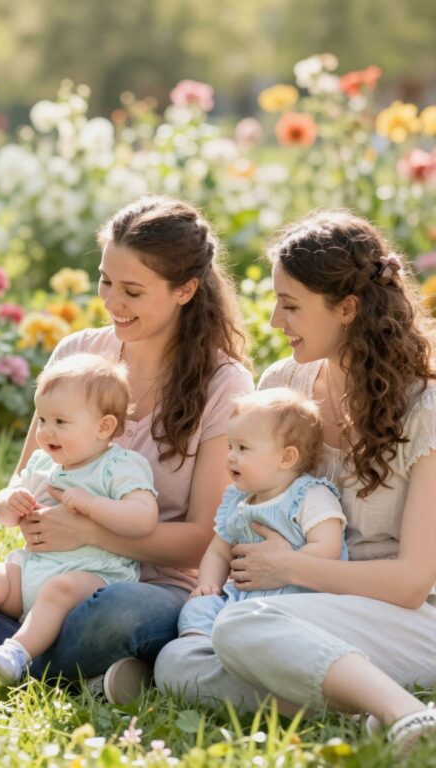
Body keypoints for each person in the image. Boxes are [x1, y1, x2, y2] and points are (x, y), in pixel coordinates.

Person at [0, 196, 253, 702]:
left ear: (185, 290)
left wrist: (86, 528)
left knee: (120, 612)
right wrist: (18, 505)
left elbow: (202, 539)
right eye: (106, 281)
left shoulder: (223, 384)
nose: (112, 302)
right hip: (45, 576)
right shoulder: (78, 354)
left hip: (146, 587)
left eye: (132, 291)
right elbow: (26, 474)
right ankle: (73, 669)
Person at [154, 210, 436, 753]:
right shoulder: (284, 387)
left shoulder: (424, 406)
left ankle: (407, 715)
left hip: (409, 617)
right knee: (177, 661)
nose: (276, 323)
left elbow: (410, 582)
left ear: (349, 309)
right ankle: (365, 705)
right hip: (299, 609)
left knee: (240, 629)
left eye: (291, 306)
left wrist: (288, 566)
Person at [0, 354, 158, 684]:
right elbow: (5, 517)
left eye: (60, 421)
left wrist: (92, 505)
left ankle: (16, 652)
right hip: (31, 573)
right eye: (42, 419)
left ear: (104, 427)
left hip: (92, 577)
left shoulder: (119, 465)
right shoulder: (43, 463)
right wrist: (8, 502)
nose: (45, 431)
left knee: (61, 588)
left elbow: (143, 519)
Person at [178, 388, 345, 638]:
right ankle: (196, 647)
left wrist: (284, 564)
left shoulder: (309, 496)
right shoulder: (237, 501)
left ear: (286, 457)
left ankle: (217, 659)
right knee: (197, 609)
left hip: (293, 602)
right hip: (240, 599)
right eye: (230, 446)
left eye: (243, 448)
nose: (231, 457)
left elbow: (329, 548)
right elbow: (218, 551)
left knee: (260, 629)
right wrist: (207, 585)